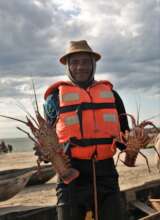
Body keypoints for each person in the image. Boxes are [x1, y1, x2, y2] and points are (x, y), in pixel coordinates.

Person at [43, 40, 129, 220]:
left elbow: (125, 140)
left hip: (106, 174)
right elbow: (47, 139)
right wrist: (45, 152)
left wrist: (136, 142)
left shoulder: (112, 95)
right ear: (67, 66)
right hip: (70, 175)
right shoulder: (53, 99)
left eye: (85, 61)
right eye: (74, 62)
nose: (80, 67)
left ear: (93, 64)